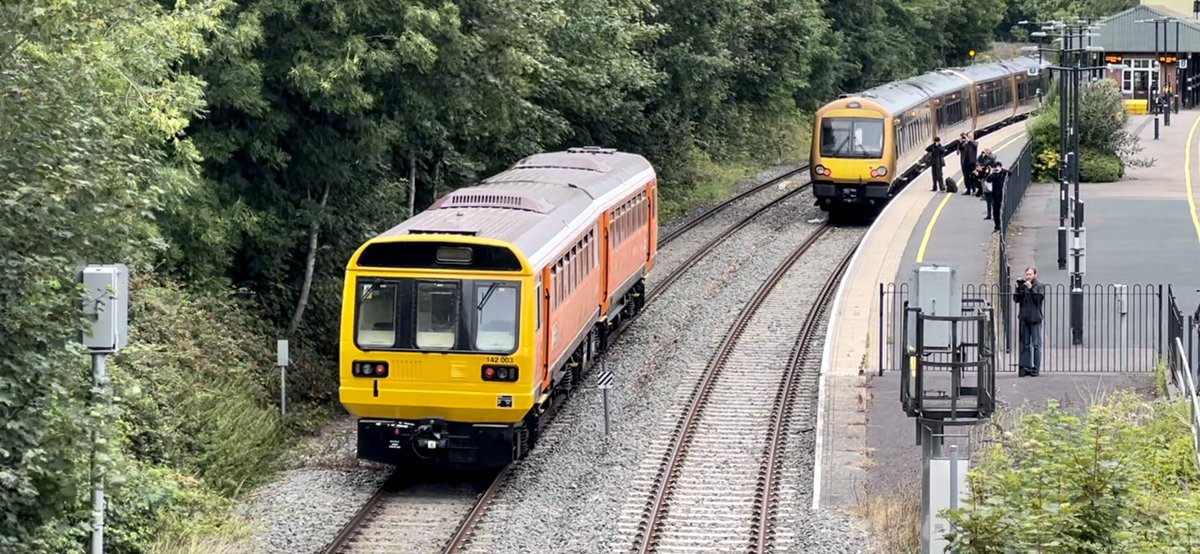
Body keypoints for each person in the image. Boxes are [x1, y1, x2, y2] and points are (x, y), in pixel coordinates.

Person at [1013, 267, 1045, 377]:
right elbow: (1016, 300)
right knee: (1026, 345)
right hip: (1024, 318)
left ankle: (1036, 368)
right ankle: (1026, 367)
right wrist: (1019, 289)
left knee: (1036, 345)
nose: (1028, 277)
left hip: (1035, 319)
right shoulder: (1024, 286)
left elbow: (1039, 300)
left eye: (1030, 274)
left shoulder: (1040, 286)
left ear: (1035, 275)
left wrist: (1031, 289)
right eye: (1027, 274)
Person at [988, 161, 1008, 232]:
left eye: (998, 167)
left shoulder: (1004, 173)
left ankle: (1003, 225)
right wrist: (991, 173)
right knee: (995, 212)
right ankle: (997, 226)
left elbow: (1010, 173)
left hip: (1003, 194)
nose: (997, 169)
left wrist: (1002, 170)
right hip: (995, 195)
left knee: (1003, 210)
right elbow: (988, 180)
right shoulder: (994, 174)